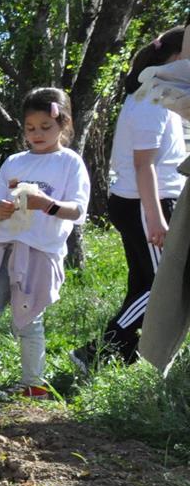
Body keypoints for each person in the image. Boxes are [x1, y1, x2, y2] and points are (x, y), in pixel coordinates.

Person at [0, 89, 90, 400]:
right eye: (31, 128)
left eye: (46, 126)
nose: (37, 134)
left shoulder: (69, 162)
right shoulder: (15, 161)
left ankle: (34, 382)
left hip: (40, 252)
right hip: (3, 247)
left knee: (28, 317)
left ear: (63, 124)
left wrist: (48, 205)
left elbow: (79, 210)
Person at [77, 28, 188, 370]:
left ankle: (120, 355)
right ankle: (97, 349)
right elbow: (144, 166)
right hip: (146, 202)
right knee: (161, 287)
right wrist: (155, 217)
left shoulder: (152, 95)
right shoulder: (151, 99)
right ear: (172, 57)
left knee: (142, 282)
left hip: (142, 201)